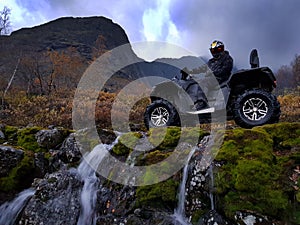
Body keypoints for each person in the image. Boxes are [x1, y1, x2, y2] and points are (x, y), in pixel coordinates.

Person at [181, 40, 233, 110]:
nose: (215, 52)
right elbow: (202, 68)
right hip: (212, 78)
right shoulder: (211, 61)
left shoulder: (227, 59)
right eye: (213, 50)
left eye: (218, 49)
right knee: (193, 81)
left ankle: (202, 102)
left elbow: (224, 70)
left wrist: (212, 73)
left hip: (221, 78)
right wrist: (190, 71)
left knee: (202, 82)